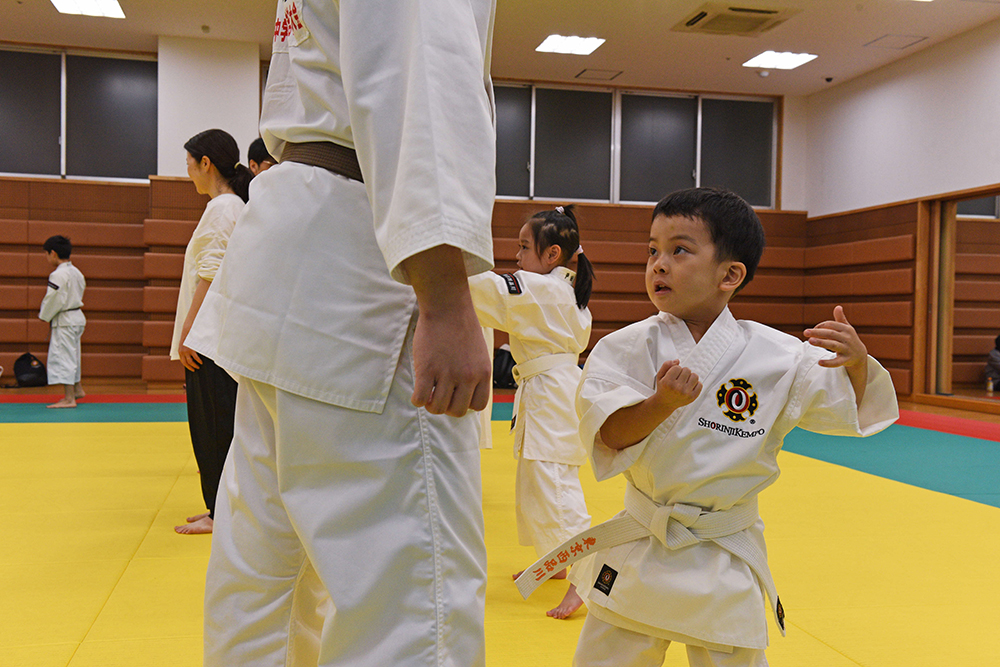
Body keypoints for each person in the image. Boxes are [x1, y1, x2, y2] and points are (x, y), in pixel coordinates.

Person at [183, 1, 497, 665]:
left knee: (265, 579)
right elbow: (419, 72)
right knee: (414, 596)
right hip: (362, 256)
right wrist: (444, 292)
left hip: (289, 245)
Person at [517, 188, 898, 667]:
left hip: (724, 549)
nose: (659, 263)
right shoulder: (623, 348)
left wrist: (859, 366)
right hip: (643, 542)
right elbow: (609, 436)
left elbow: (853, 411)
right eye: (652, 250)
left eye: (679, 250)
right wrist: (661, 404)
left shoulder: (779, 356)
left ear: (730, 274)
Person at [468, 205, 594, 620]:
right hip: (547, 391)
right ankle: (555, 560)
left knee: (553, 484)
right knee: (537, 482)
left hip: (552, 394)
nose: (518, 256)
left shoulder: (544, 289)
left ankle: (588, 578)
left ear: (553, 254)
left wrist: (437, 265)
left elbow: (483, 288)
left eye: (524, 247)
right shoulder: (562, 289)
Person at [171, 129, 251, 536]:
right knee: (215, 426)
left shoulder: (223, 208)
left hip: (210, 340)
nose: (188, 173)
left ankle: (221, 514)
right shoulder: (229, 206)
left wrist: (188, 332)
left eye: (189, 164)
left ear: (207, 163)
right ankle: (218, 507)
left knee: (214, 427)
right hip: (215, 337)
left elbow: (211, 271)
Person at [38, 235, 86, 409]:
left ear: (53, 253)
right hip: (77, 317)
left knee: (65, 356)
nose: (47, 258)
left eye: (47, 254)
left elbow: (54, 299)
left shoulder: (58, 274)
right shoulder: (77, 272)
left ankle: (69, 398)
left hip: (65, 319)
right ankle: (77, 389)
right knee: (74, 356)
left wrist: (45, 315)